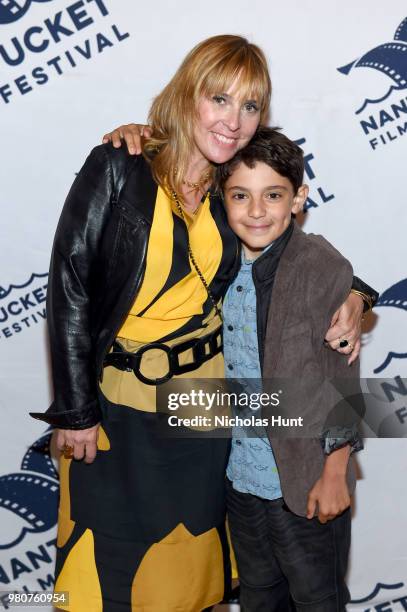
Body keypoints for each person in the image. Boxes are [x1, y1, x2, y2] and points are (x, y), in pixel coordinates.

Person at [30, 35, 374, 611]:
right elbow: (69, 285)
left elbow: (300, 255)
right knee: (104, 572)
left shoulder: (229, 184)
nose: (233, 120)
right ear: (189, 95)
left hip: (208, 407)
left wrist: (356, 295)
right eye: (220, 99)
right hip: (118, 407)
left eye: (250, 106)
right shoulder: (119, 166)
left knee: (192, 572)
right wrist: (74, 411)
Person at [217, 126, 367, 611]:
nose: (256, 211)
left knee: (317, 598)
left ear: (299, 198)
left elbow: (342, 379)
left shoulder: (315, 263)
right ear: (223, 199)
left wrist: (335, 471)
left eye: (273, 195)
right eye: (241, 195)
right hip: (242, 480)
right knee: (259, 597)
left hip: (303, 479)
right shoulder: (218, 259)